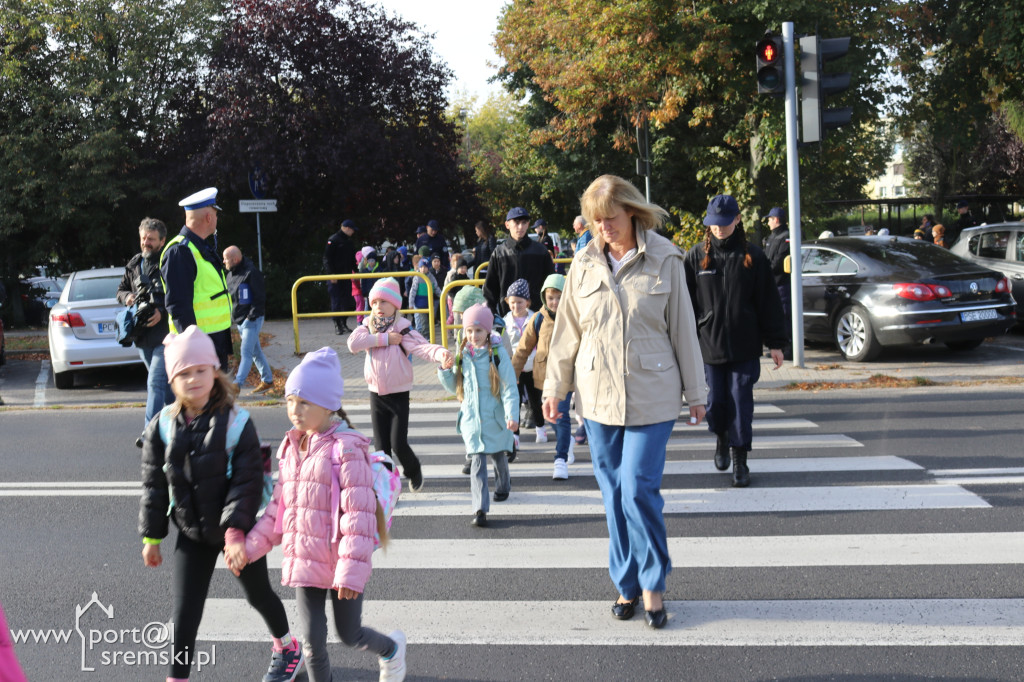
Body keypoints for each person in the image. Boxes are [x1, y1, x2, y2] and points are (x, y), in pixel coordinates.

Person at [542, 174, 707, 630]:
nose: (603, 229)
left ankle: (653, 583)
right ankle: (626, 582)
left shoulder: (666, 259)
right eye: (596, 222)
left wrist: (697, 393)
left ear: (631, 211)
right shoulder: (583, 264)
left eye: (610, 219)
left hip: (652, 395)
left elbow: (683, 330)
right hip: (596, 398)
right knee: (614, 495)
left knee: (637, 487)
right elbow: (566, 333)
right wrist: (555, 388)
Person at [139, 326, 303, 681]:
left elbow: (247, 482)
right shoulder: (162, 426)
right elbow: (154, 483)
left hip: (237, 533)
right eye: (183, 373)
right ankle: (176, 677)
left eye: (200, 369)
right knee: (185, 613)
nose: (193, 379)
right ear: (171, 379)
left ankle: (287, 647)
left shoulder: (236, 423)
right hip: (192, 532)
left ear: (215, 371)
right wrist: (152, 538)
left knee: (258, 596)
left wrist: (234, 534)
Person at [237, 348, 407, 682]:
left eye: (304, 403)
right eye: (290, 401)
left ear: (328, 405)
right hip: (305, 560)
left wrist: (348, 574)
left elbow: (358, 519)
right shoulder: (292, 447)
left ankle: (391, 649)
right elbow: (278, 510)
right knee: (313, 645)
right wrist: (250, 547)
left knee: (350, 634)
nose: (294, 411)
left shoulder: (346, 449)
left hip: (341, 564)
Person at [684, 194, 787, 489]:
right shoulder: (695, 257)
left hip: (745, 344)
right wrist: (684, 343)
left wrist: (776, 343)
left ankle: (740, 456)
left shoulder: (753, 256)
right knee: (716, 401)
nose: (719, 229)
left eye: (725, 223)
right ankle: (721, 437)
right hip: (710, 344)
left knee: (741, 400)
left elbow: (769, 302)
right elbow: (686, 305)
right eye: (714, 224)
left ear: (738, 220)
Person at [348, 278, 453, 493]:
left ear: (395, 305)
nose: (378, 307)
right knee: (381, 449)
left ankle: (413, 471)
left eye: (384, 302)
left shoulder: (403, 330)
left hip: (398, 395)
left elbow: (423, 348)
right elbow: (353, 345)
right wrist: (384, 339)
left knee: (398, 444)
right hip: (376, 395)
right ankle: (386, 487)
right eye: (375, 302)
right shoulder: (367, 327)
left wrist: (442, 353)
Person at [439, 304, 519, 527]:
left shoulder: (498, 355)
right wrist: (445, 370)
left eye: (478, 331)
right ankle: (480, 508)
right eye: (469, 331)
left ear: (488, 331)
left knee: (498, 455)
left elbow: (509, 387)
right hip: (472, 420)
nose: (473, 336)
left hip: (494, 418)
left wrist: (512, 415)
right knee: (477, 462)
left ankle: (504, 485)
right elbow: (454, 385)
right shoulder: (462, 355)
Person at [160, 187, 233, 369]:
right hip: (199, 346)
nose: (217, 219)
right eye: (216, 214)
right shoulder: (180, 251)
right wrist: (194, 347)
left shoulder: (197, 247)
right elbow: (178, 306)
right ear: (209, 217)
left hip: (211, 341)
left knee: (218, 397)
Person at [117, 217, 174, 448]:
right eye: (143, 238)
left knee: (155, 383)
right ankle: (180, 423)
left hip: (165, 337)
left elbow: (178, 295)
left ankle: (149, 432)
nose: (145, 243)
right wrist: (128, 297)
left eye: (150, 239)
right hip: (142, 338)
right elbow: (120, 290)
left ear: (162, 241)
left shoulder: (169, 262)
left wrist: (161, 310)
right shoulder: (134, 264)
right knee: (167, 388)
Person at [512, 273, 575, 479]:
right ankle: (566, 441)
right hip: (544, 378)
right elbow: (523, 348)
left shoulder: (575, 316)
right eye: (551, 298)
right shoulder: (538, 318)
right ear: (543, 298)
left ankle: (560, 458)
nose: (555, 302)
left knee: (561, 415)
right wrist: (513, 374)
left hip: (566, 377)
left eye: (559, 297)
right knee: (553, 418)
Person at [483, 207, 554, 316]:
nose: (520, 226)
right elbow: (490, 290)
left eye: (524, 222)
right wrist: (492, 315)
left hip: (537, 316)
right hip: (507, 317)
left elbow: (551, 284)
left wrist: (550, 313)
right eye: (516, 222)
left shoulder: (541, 251)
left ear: (528, 224)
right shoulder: (499, 253)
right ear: (507, 225)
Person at [222, 245, 274, 394]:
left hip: (252, 319)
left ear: (236, 259)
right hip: (240, 319)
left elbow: (259, 297)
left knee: (246, 352)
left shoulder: (251, 272)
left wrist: (250, 316)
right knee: (255, 351)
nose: (224, 262)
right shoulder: (231, 274)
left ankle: (236, 385)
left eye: (226, 259)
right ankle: (268, 380)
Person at [503, 279, 544, 440]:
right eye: (512, 302)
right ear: (507, 302)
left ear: (527, 302)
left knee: (536, 401)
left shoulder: (535, 318)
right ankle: (515, 436)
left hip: (532, 366)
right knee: (515, 402)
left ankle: (540, 429)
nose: (516, 306)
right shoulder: (505, 321)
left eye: (520, 302)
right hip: (514, 368)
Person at [762, 207, 792, 357]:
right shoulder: (771, 238)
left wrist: (764, 270)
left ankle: (789, 349)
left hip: (782, 284)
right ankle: (779, 348)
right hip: (772, 284)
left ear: (777, 220)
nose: (768, 222)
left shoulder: (786, 237)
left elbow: (778, 262)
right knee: (774, 317)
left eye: (769, 219)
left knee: (785, 316)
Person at [323, 219, 358, 335]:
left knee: (347, 302)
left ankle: (343, 322)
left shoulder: (349, 242)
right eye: (353, 230)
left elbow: (352, 260)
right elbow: (327, 259)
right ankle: (337, 325)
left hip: (346, 276)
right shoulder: (333, 240)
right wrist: (331, 274)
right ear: (347, 228)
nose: (353, 232)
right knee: (336, 301)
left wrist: (357, 272)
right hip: (335, 277)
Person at [407, 259, 439, 337]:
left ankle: (427, 335)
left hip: (429, 302)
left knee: (429, 320)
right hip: (419, 303)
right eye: (421, 267)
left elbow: (436, 287)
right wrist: (411, 303)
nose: (423, 269)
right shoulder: (418, 277)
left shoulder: (431, 276)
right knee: (422, 321)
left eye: (425, 267)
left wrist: (442, 297)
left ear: (428, 268)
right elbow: (413, 291)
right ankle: (425, 336)